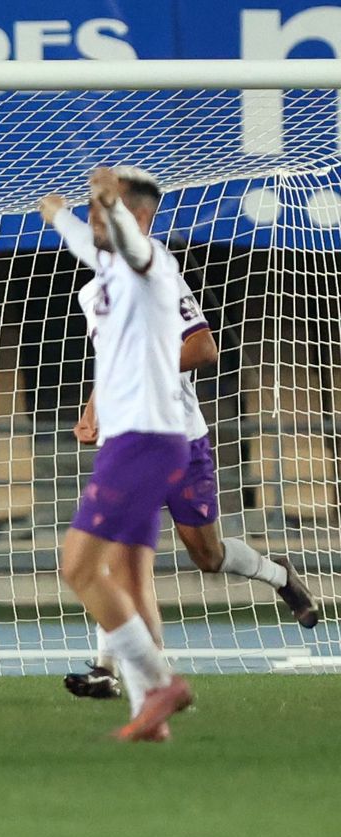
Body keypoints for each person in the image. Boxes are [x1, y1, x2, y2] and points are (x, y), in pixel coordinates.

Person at [65, 269, 319, 701]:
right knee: (119, 557)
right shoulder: (91, 292)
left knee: (208, 555)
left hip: (180, 437)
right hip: (127, 441)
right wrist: (95, 405)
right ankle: (108, 669)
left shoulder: (158, 277)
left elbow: (201, 348)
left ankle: (279, 575)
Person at [40, 166, 196, 741]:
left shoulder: (152, 264)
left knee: (79, 567)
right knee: (124, 577)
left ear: (137, 218)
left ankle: (160, 683)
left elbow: (127, 241)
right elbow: (90, 241)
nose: (97, 219)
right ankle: (148, 714)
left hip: (145, 439)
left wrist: (110, 203)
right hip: (131, 440)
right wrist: (59, 214)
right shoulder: (105, 264)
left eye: (106, 210)